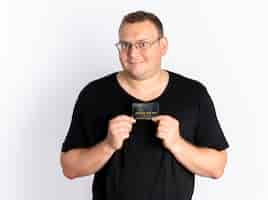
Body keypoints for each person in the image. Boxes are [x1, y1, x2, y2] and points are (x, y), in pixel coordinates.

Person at [60, 10, 229, 200]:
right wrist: (107, 145)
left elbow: (217, 167)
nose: (133, 53)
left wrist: (177, 143)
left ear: (163, 46)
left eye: (142, 44)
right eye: (125, 45)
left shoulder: (193, 94)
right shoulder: (94, 94)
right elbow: (69, 167)